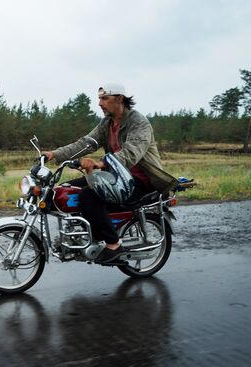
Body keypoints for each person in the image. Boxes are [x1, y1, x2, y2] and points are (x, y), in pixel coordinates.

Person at [44, 83, 178, 264]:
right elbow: (86, 143)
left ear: (120, 99)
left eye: (104, 98)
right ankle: (81, 237)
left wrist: (101, 163)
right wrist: (54, 154)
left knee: (89, 195)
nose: (100, 103)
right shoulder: (106, 123)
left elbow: (131, 153)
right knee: (66, 189)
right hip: (116, 176)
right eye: (99, 98)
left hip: (140, 179)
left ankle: (113, 244)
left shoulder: (139, 122)